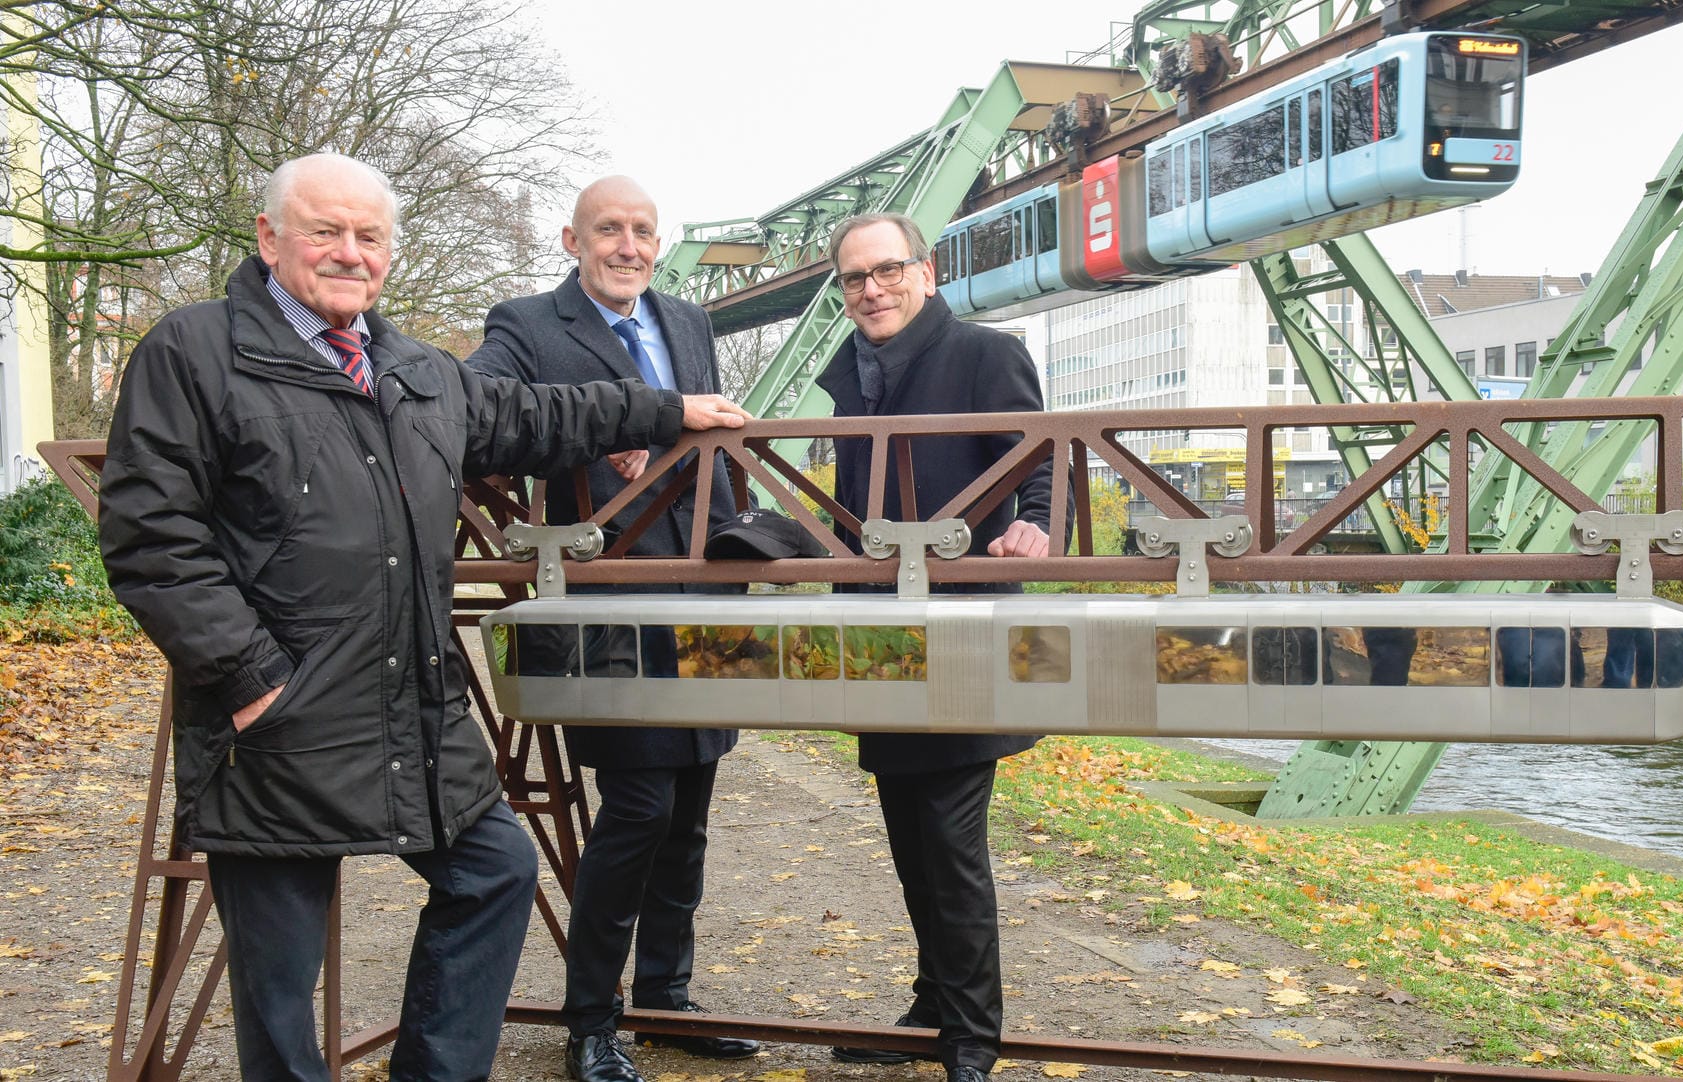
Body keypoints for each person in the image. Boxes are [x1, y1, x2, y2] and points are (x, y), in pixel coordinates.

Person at [94, 153, 748, 1082]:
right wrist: (250, 682)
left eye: (368, 237)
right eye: (325, 231)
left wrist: (667, 407)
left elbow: (536, 415)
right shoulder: (197, 351)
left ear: (391, 253)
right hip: (280, 714)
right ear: (270, 238)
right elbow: (152, 539)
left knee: (494, 872)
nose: (348, 253)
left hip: (407, 702)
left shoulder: (413, 369)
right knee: (281, 981)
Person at [467, 176, 759, 1082]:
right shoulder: (525, 323)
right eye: (608, 230)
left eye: (641, 230)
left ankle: (665, 1000)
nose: (626, 245)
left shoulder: (689, 322)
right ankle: (592, 1019)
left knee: (693, 811)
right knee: (638, 809)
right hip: (606, 599)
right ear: (572, 239)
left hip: (704, 593)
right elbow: (482, 426)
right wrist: (599, 438)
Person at [814, 212, 1055, 1082]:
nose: (871, 290)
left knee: (950, 842)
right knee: (911, 836)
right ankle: (933, 1006)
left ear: (926, 270)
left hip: (960, 630)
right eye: (853, 279)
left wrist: (1034, 528)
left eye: (886, 271)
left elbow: (1041, 461)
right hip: (878, 632)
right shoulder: (855, 376)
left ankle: (969, 1040)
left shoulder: (986, 353)